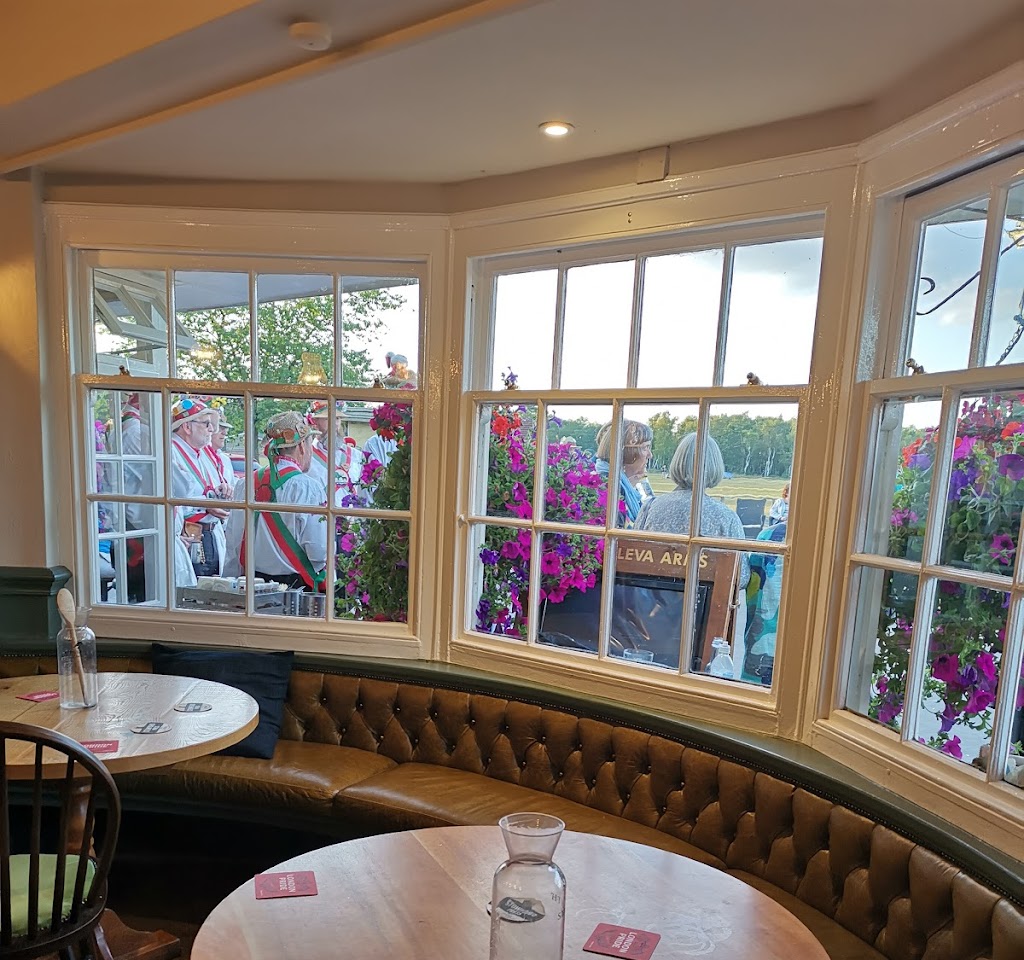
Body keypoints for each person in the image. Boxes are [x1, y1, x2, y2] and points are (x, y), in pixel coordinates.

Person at [225, 412, 328, 590]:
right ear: (302, 446)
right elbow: (318, 551)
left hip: (250, 585)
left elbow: (233, 542)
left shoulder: (244, 484)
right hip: (294, 588)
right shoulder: (309, 488)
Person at [635, 433, 750, 588]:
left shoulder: (650, 508)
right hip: (704, 602)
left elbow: (631, 559)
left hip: (651, 599)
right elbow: (741, 577)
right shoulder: (727, 517)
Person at [170, 398, 231, 585]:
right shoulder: (169, 451)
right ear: (187, 427)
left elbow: (209, 487)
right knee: (193, 595)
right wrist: (206, 505)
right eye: (206, 424)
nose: (212, 429)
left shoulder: (203, 453)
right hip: (189, 537)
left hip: (211, 534)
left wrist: (223, 490)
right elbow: (173, 498)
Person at [594, 420, 654, 526]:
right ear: (627, 453)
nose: (650, 455)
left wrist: (631, 484)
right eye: (645, 447)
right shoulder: (609, 486)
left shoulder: (624, 485)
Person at [305, 400, 363, 505]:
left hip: (353, 515)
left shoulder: (356, 456)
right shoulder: (306, 457)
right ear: (314, 422)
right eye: (328, 418)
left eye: (337, 418)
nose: (335, 424)